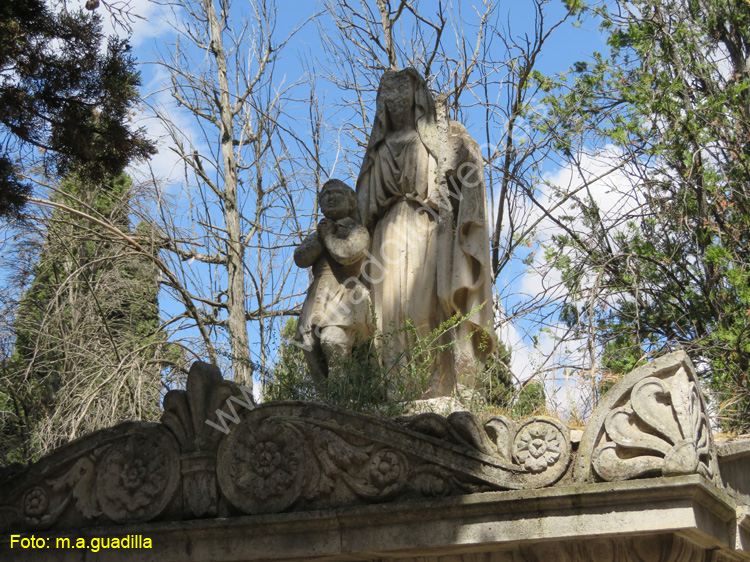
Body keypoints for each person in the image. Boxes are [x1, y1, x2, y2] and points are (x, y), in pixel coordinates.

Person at [356, 68, 495, 397]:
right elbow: (363, 208)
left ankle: (435, 390)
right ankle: (394, 395)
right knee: (385, 319)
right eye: (388, 96)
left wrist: (460, 147)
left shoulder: (435, 141)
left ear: (416, 97)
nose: (395, 102)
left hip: (426, 229)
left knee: (423, 311)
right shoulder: (378, 150)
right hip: (385, 236)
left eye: (401, 93)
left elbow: (458, 175)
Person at [293, 179, 372, 384]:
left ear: (351, 201)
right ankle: (327, 397)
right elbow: (301, 258)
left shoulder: (357, 231)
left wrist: (328, 237)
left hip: (345, 292)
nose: (330, 198)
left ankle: (343, 396)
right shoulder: (319, 233)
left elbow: (345, 254)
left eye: (336, 193)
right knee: (310, 345)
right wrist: (322, 236)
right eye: (325, 195)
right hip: (319, 294)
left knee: (334, 339)